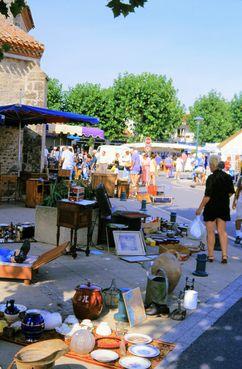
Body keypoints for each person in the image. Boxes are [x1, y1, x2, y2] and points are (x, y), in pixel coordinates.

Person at [196, 155, 235, 264]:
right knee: (222, 232)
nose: (209, 167)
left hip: (211, 208)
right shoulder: (227, 177)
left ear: (213, 165)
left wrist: (199, 208)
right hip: (223, 207)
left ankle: (211, 256)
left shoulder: (211, 178)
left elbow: (207, 196)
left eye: (210, 165)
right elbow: (231, 192)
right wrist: (223, 197)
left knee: (211, 232)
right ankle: (224, 256)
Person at [232, 169, 242, 244]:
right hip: (240, 201)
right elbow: (237, 190)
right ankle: (238, 235)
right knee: (239, 217)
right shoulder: (241, 178)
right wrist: (234, 201)